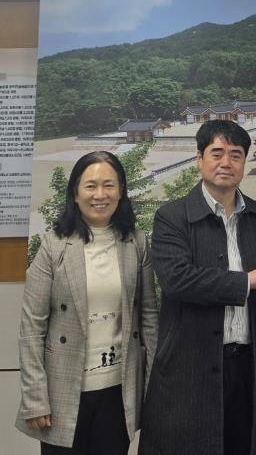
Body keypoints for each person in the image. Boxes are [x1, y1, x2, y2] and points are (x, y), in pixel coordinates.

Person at [138, 120, 256, 455]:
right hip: (189, 367)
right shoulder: (172, 216)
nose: (226, 163)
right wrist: (246, 281)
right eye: (216, 153)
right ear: (199, 159)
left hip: (246, 367)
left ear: (244, 162)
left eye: (235, 155)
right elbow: (177, 280)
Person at [16, 151, 158, 454]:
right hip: (63, 390)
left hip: (118, 389)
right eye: (91, 186)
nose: (100, 195)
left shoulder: (136, 242)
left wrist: (154, 388)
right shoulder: (54, 245)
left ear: (121, 191)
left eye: (109, 185)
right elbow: (31, 328)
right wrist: (35, 398)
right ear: (75, 193)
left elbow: (149, 318)